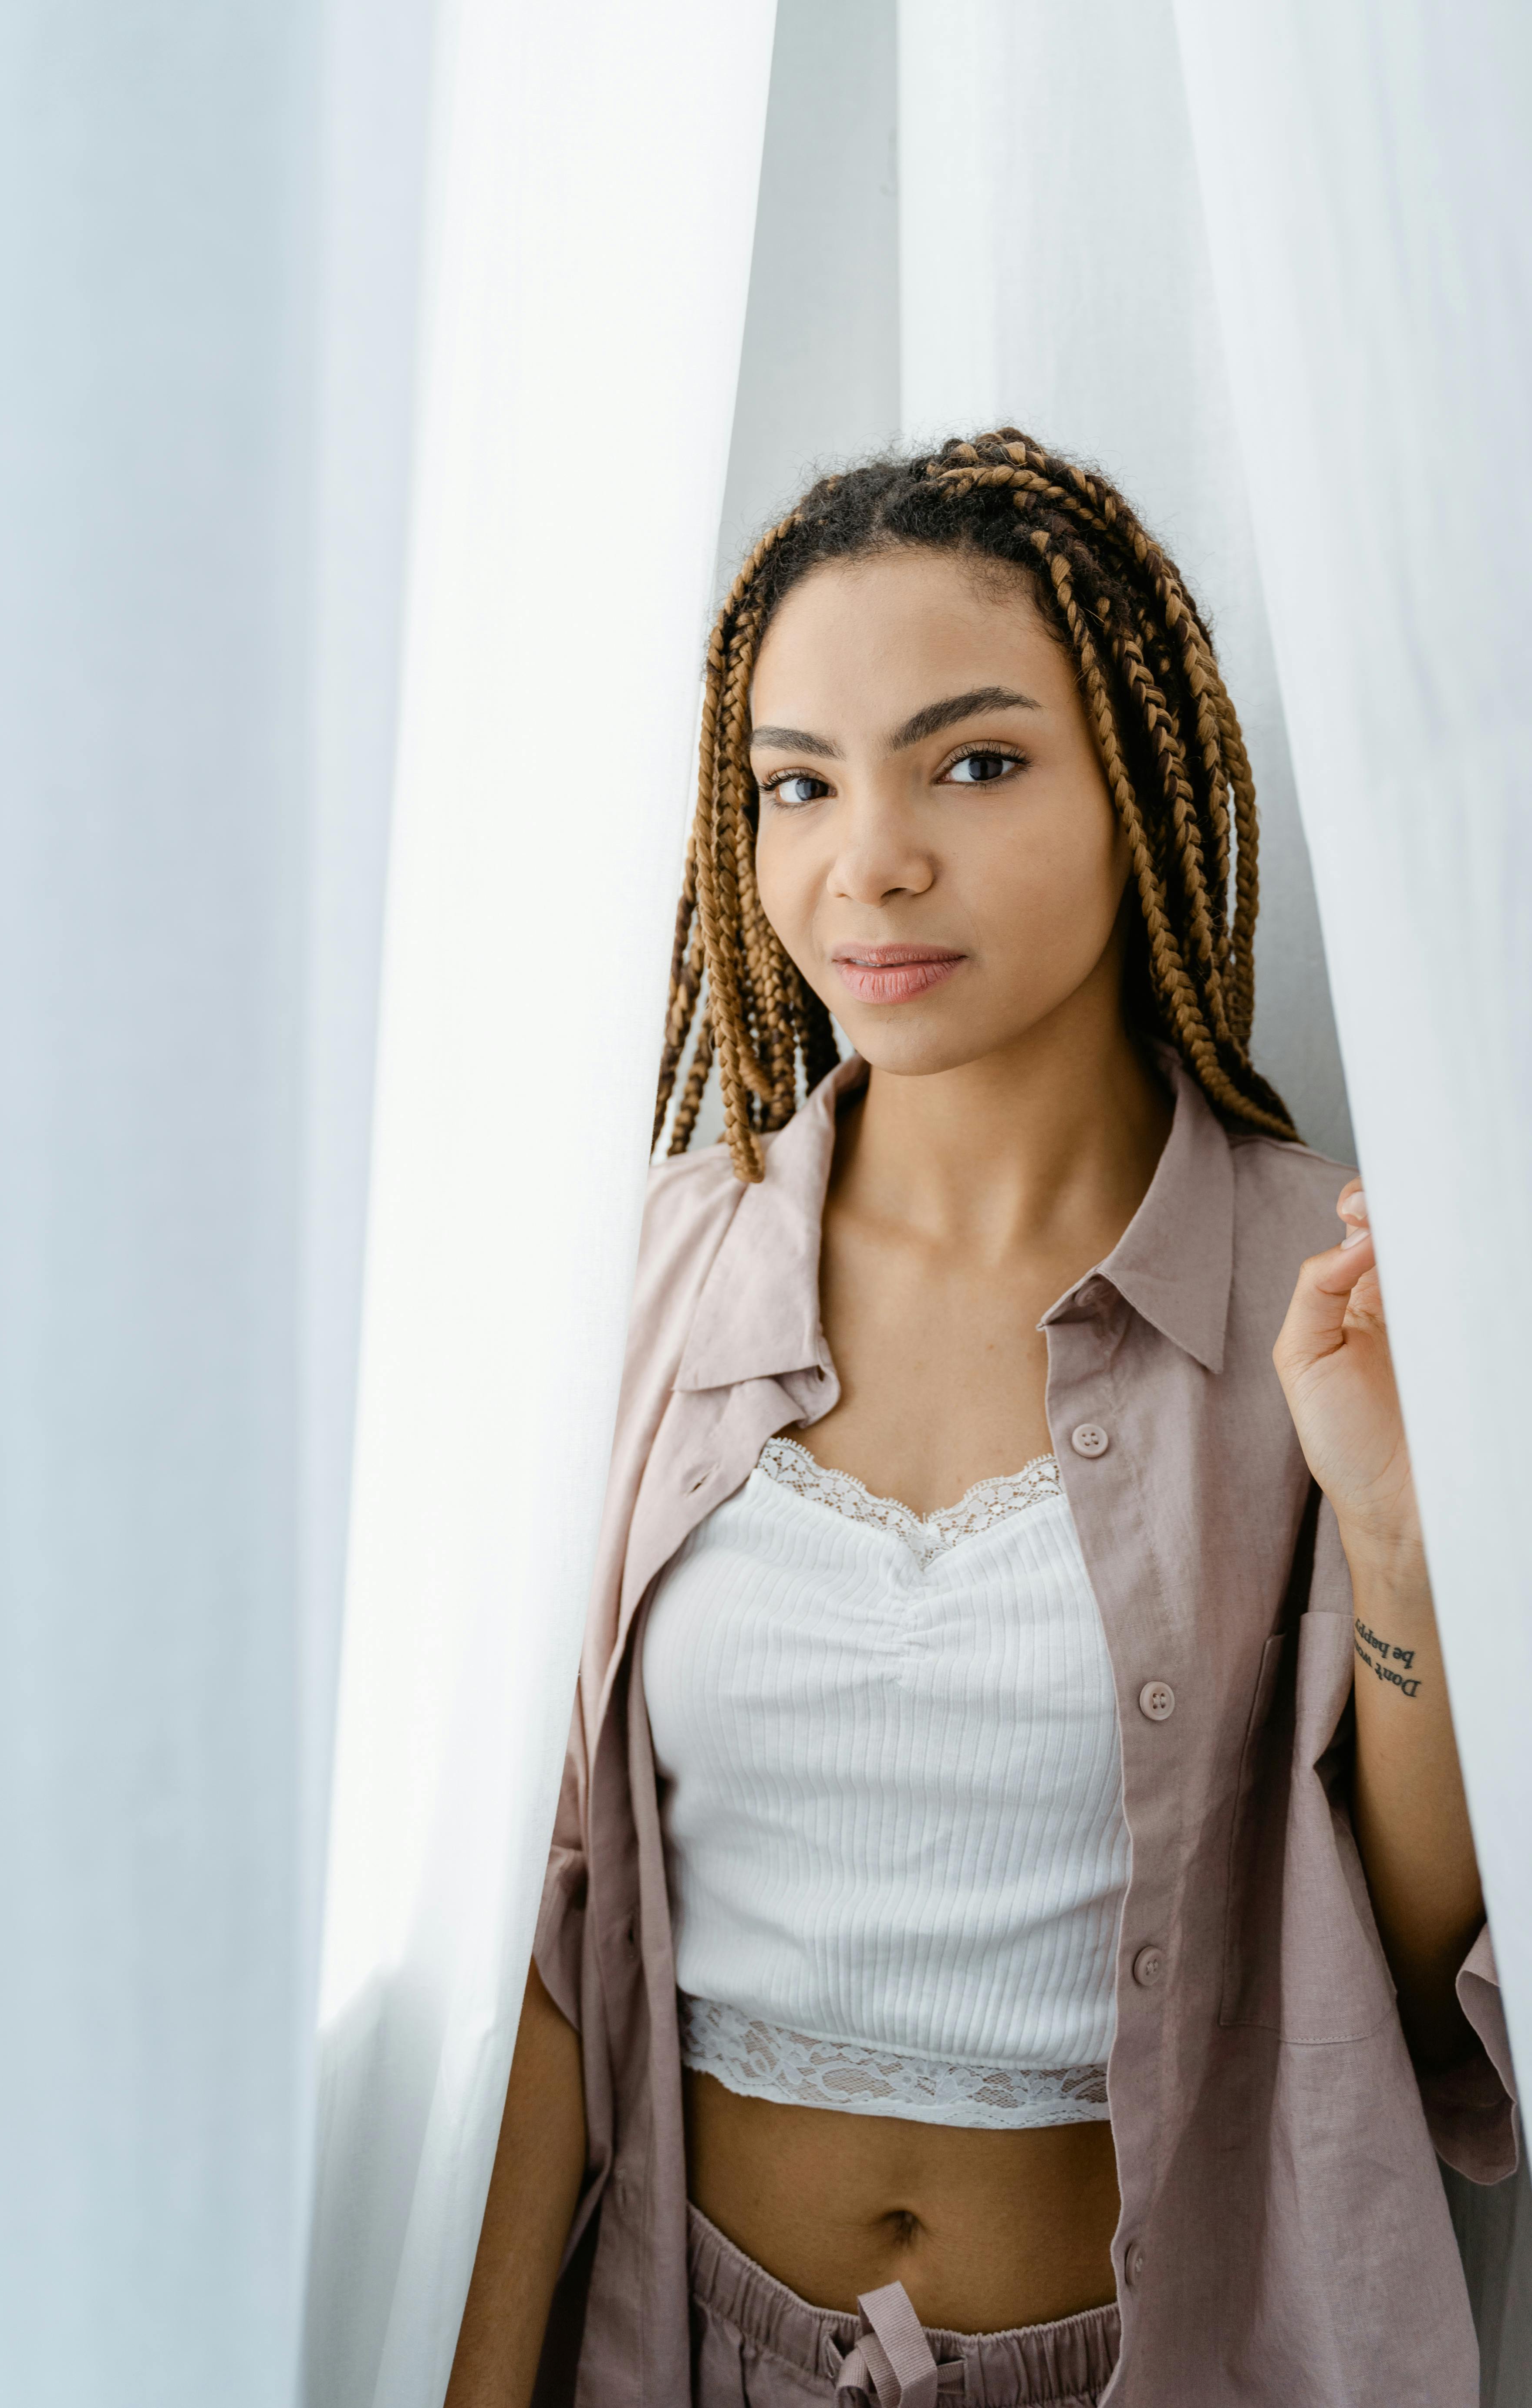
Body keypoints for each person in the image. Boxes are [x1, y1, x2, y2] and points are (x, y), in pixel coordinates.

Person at [448, 432, 1514, 2408]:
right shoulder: (641, 1286)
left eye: (975, 762)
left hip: (1166, 2359)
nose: (869, 860)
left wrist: (1396, 1540)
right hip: (681, 2350)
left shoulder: (1333, 1290)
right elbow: (536, 1955)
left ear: (1142, 781)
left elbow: (1407, 1949)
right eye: (798, 783)